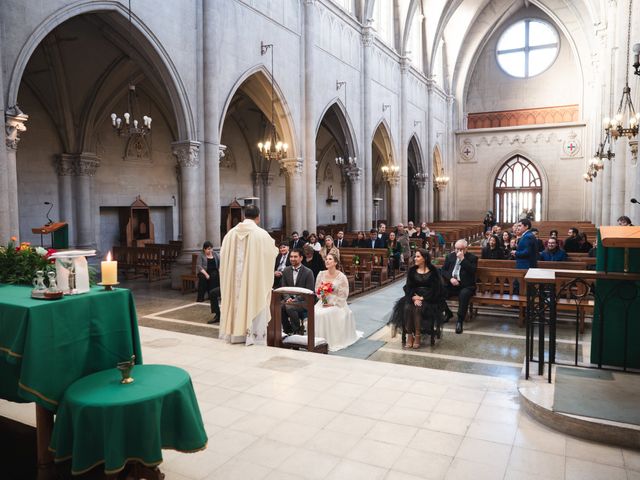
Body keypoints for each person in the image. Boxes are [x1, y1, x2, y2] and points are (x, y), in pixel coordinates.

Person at [219, 204, 278, 345]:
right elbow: (272, 253)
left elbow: (223, 257)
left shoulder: (230, 235)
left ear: (244, 216)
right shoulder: (262, 235)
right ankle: (253, 338)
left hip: (234, 286)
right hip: (253, 284)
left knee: (236, 302)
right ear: (258, 217)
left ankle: (235, 336)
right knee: (254, 299)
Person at [388, 248, 444, 348]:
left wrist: (422, 298)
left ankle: (417, 336)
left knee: (418, 308)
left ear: (425, 258)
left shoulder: (433, 271)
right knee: (407, 307)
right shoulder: (412, 270)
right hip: (413, 295)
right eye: (415, 256)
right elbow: (408, 287)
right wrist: (414, 297)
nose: (415, 258)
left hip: (429, 298)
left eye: (418, 256)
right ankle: (410, 335)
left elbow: (436, 289)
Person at [313, 253, 361, 351]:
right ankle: (316, 341)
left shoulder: (341, 276)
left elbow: (343, 294)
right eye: (326, 259)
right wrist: (324, 300)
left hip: (337, 303)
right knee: (315, 312)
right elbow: (318, 289)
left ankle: (329, 341)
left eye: (330, 259)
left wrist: (333, 303)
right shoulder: (321, 274)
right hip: (323, 301)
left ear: (335, 262)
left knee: (325, 314)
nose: (327, 261)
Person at [441, 240, 478, 334]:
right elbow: (444, 270)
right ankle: (448, 313)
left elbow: (472, 271)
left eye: (461, 249)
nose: (458, 251)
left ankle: (459, 321)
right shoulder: (450, 256)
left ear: (466, 249)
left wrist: (462, 259)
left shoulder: (472, 258)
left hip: (466, 286)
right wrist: (450, 279)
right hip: (452, 284)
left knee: (464, 295)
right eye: (456, 249)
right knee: (437, 291)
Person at [279, 248, 315, 335]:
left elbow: (309, 291)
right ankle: (288, 330)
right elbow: (284, 288)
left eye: (295, 257)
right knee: (278, 306)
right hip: (289, 300)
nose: (292, 259)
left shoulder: (308, 272)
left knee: (289, 307)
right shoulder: (286, 270)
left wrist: (295, 300)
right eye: (291, 256)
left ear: (301, 258)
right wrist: (288, 298)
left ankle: (297, 331)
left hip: (304, 301)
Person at [196, 241, 221, 323]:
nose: (210, 251)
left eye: (211, 249)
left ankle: (213, 294)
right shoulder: (201, 255)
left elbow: (220, 264)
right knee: (204, 277)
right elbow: (199, 266)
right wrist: (206, 274)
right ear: (204, 249)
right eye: (208, 249)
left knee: (215, 275)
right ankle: (201, 297)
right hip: (205, 271)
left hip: (214, 271)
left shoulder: (216, 254)